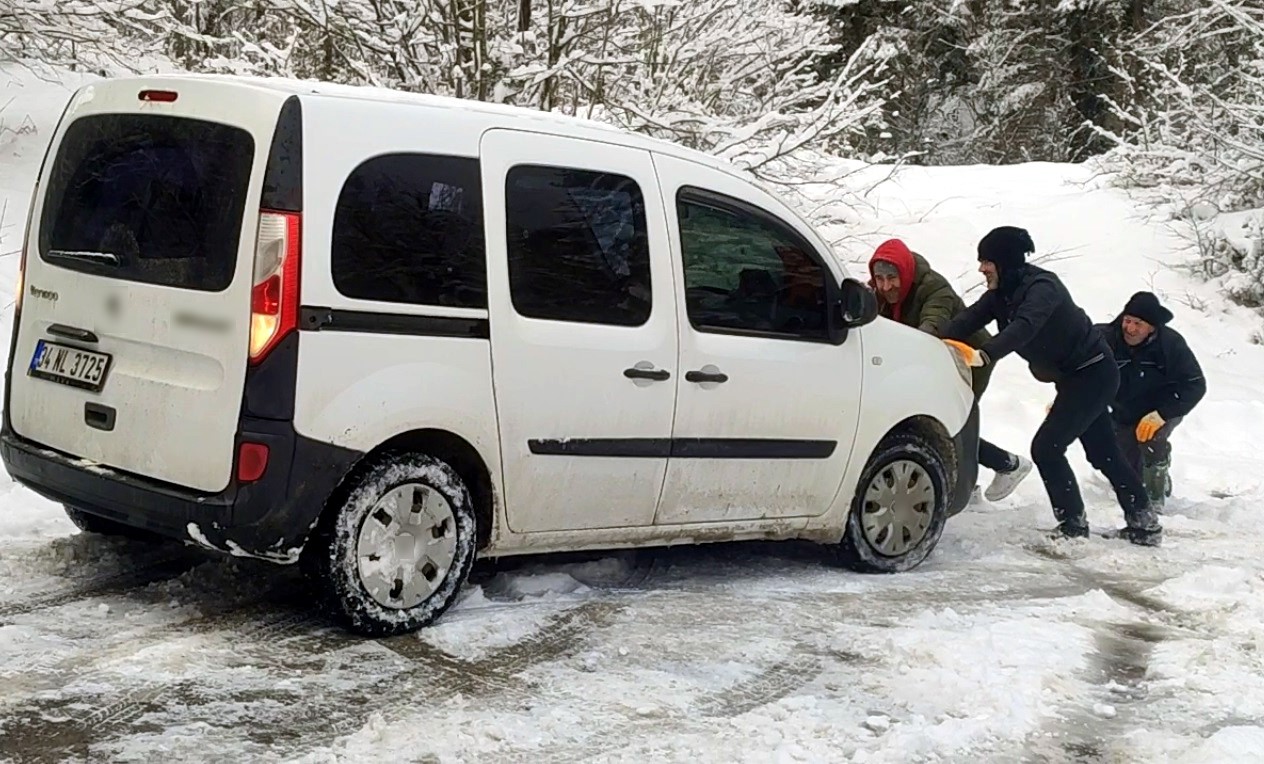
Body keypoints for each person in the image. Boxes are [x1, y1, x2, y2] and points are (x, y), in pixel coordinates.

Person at [938, 226, 1162, 545]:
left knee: (1047, 447)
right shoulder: (1002, 294)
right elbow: (968, 320)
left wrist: (985, 354)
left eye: (987, 261)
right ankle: (1144, 523)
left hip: (1093, 374)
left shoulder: (1043, 288)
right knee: (1104, 453)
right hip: (1075, 378)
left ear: (1006, 262)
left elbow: (1025, 327)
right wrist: (928, 342)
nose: (981, 268)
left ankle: (1073, 526)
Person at [868, 238, 1032, 501]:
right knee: (933, 425)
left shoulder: (934, 289)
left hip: (969, 360)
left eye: (892, 278)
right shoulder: (879, 292)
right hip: (932, 361)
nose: (886, 286)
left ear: (905, 272)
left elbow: (931, 327)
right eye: (880, 278)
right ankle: (981, 480)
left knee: (949, 425)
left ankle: (1005, 467)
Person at [1096, 291, 1206, 511]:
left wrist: (1163, 414)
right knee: (1128, 466)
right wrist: (1067, 398)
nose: (1130, 328)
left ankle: (1154, 500)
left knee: (1151, 439)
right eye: (1127, 321)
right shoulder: (1104, 338)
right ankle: (1151, 479)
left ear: (1152, 327)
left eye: (1138, 323)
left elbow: (1195, 385)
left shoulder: (1171, 345)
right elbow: (1080, 370)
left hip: (1163, 407)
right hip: (1124, 408)